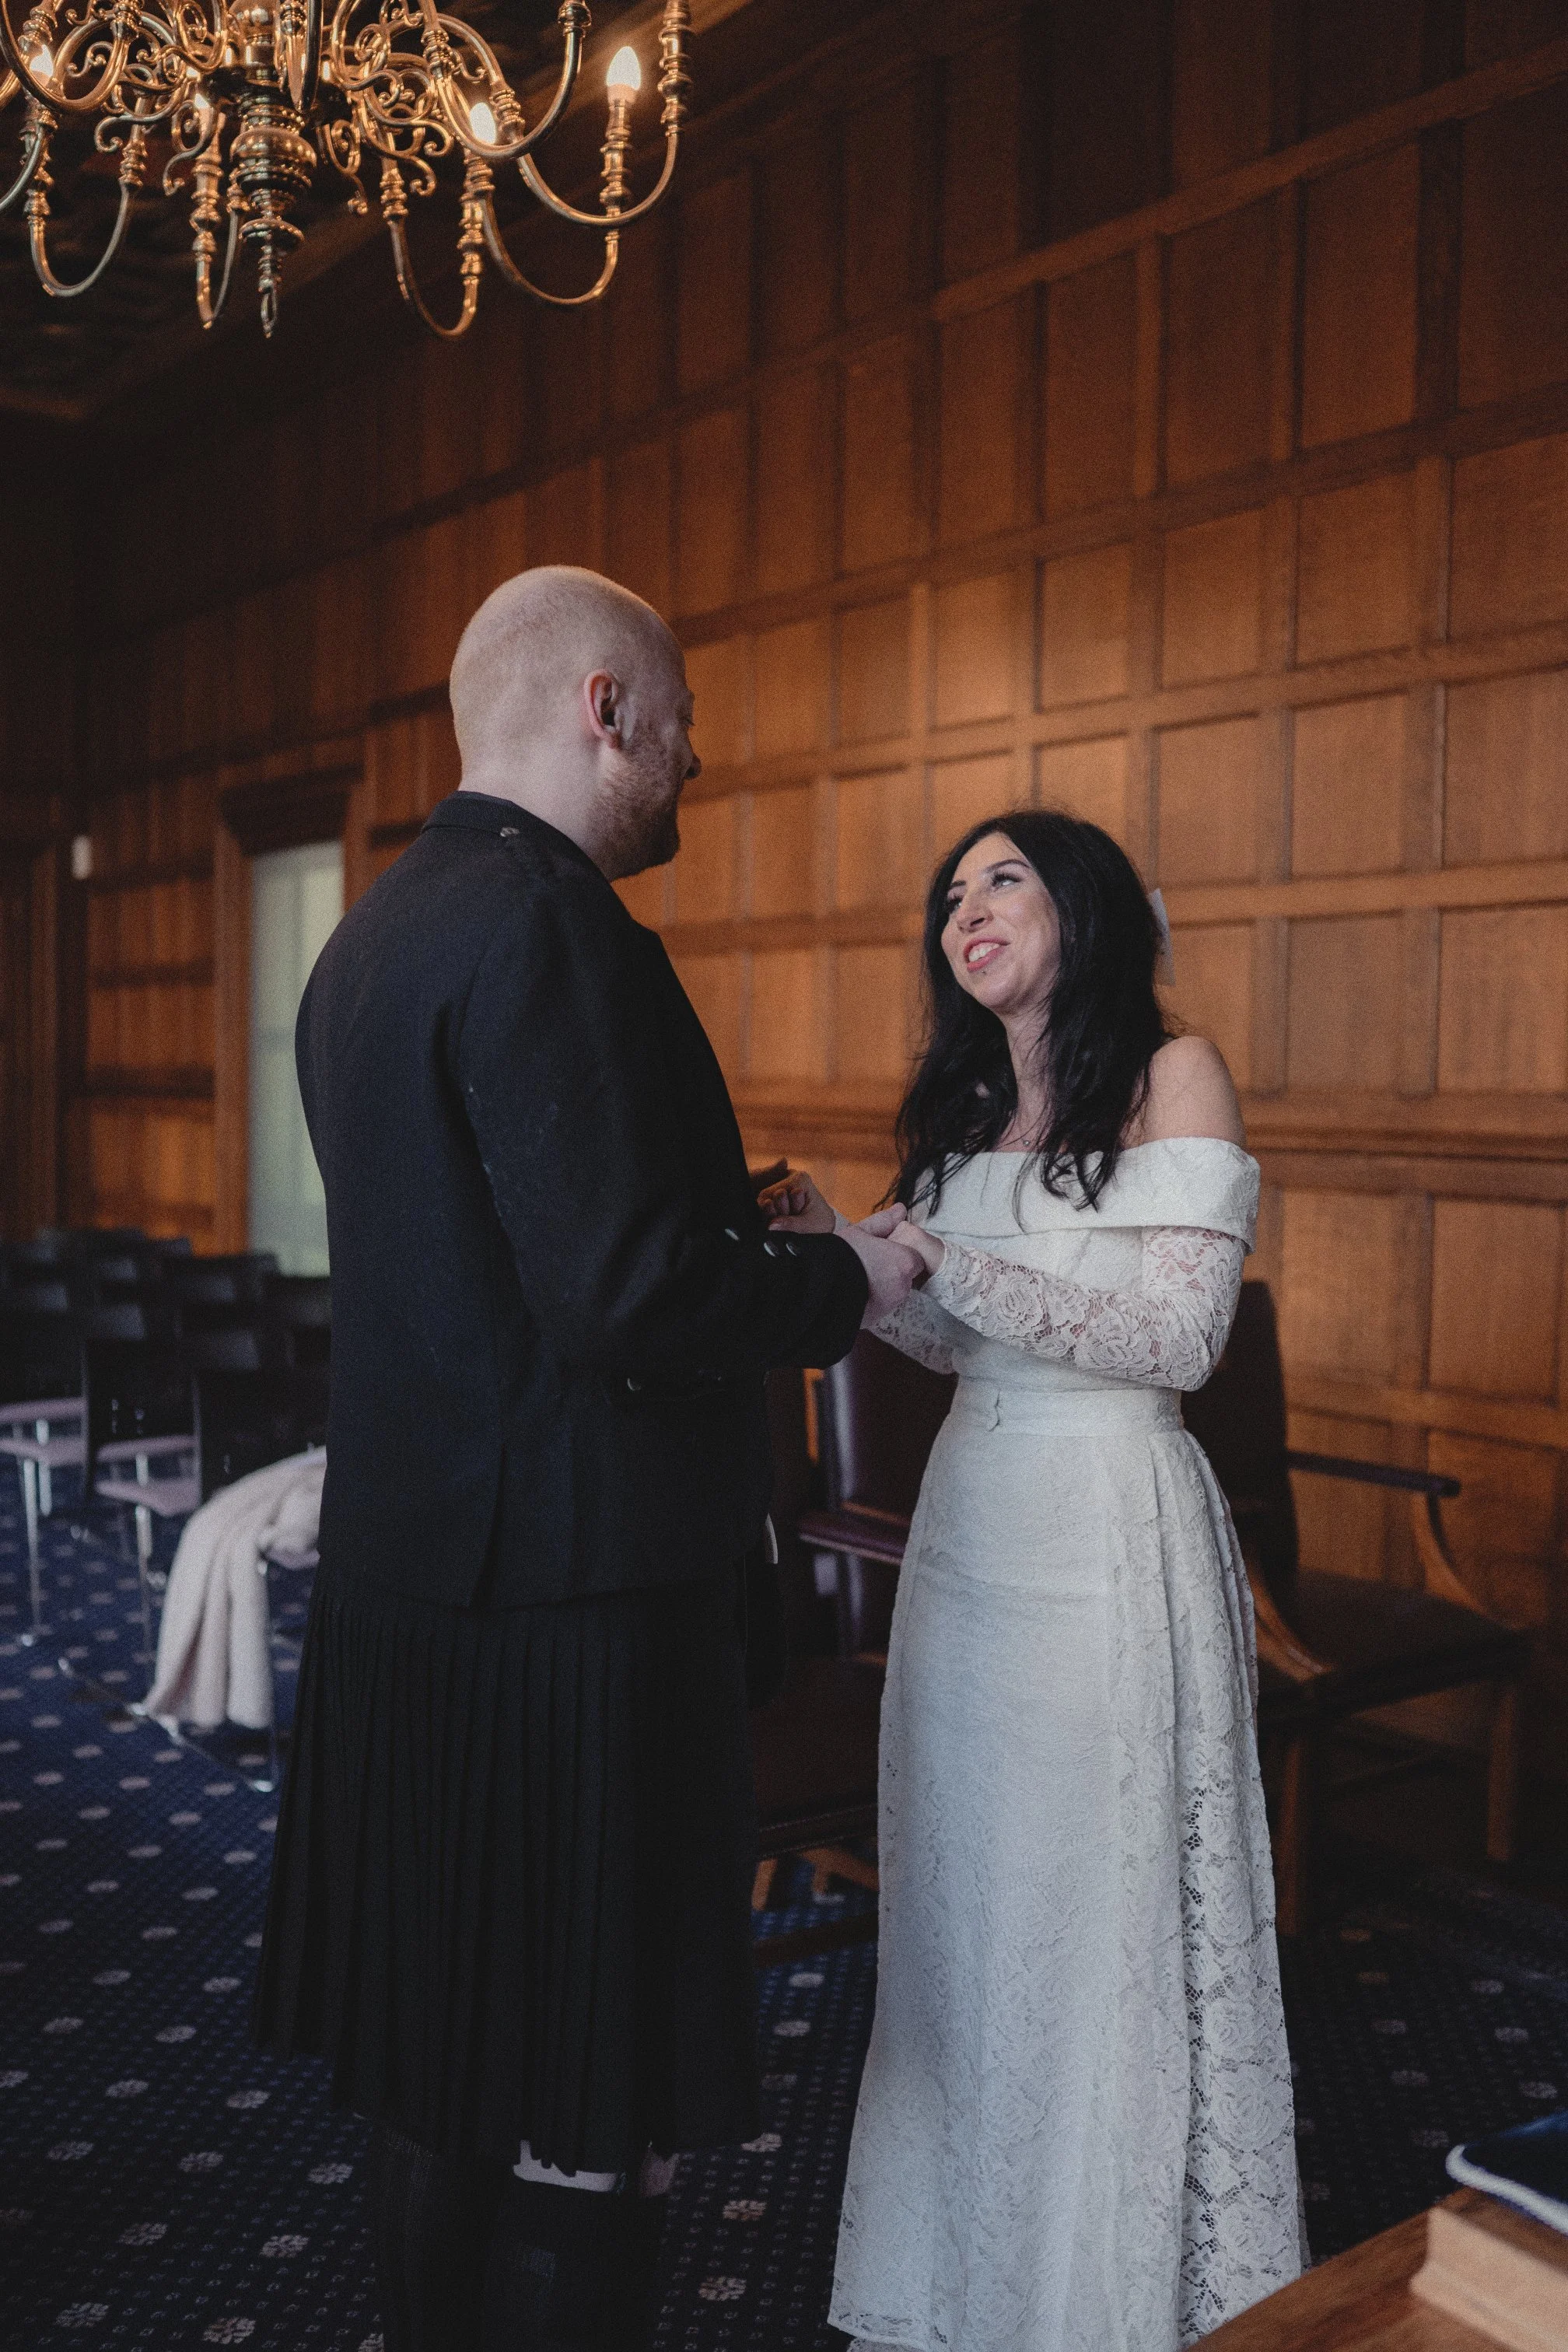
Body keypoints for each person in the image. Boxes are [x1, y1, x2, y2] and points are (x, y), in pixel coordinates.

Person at [252, 565, 921, 2352]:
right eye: (681, 717)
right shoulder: (557, 930)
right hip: (575, 1603)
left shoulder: (371, 938)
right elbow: (622, 1296)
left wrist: (725, 1214)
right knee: (586, 2098)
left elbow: (498, 1254)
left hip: (418, 1592)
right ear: (605, 707)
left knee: (443, 2059)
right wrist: (844, 1274)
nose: (697, 756)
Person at [771, 810, 1302, 2350]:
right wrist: (850, 1264)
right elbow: (955, 1340)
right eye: (950, 892)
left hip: (1106, 1518)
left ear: (1080, 901)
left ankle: (1102, 2290)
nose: (967, 905)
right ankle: (971, 2275)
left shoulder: (1171, 1075)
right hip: (974, 1528)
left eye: (1002, 875)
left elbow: (1180, 1340)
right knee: (971, 1909)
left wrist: (957, 1268)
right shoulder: (961, 1107)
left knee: (1100, 1903)